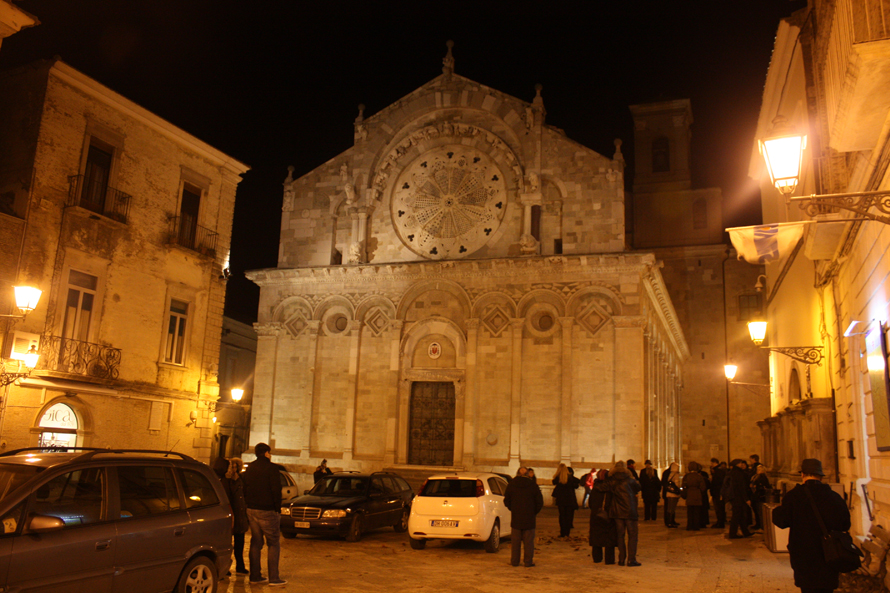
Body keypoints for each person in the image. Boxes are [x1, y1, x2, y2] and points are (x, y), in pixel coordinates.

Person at [772, 459, 851, 593]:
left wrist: (778, 510)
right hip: (830, 553)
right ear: (820, 476)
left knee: (807, 588)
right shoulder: (834, 497)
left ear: (802, 475)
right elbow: (845, 524)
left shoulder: (793, 496)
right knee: (826, 587)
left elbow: (781, 521)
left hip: (803, 553)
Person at [242, 443, 287, 586]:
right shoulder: (272, 468)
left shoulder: (250, 468)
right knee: (273, 543)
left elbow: (245, 487)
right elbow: (276, 489)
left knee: (256, 542)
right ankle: (274, 577)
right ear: (267, 453)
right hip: (267, 510)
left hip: (251, 509)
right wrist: (277, 508)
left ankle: (255, 576)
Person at [595, 460, 641, 567]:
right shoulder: (630, 481)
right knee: (632, 535)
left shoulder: (612, 481)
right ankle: (631, 559)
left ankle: (621, 559)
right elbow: (638, 487)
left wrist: (597, 481)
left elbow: (600, 487)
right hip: (630, 511)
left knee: (620, 536)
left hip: (617, 512)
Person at [503, 466, 544, 567]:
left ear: (517, 473)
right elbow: (539, 501)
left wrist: (512, 508)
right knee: (529, 542)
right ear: (527, 474)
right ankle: (528, 561)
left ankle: (515, 561)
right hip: (529, 517)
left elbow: (506, 500)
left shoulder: (511, 484)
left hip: (516, 516)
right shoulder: (533, 485)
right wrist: (534, 511)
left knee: (515, 542)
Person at [588, 469, 617, 564]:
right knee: (609, 537)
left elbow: (590, 503)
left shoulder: (595, 488)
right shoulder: (612, 488)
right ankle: (609, 559)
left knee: (596, 537)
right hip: (609, 515)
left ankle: (597, 558)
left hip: (596, 515)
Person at [726, 458, 753, 539]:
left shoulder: (732, 473)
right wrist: (746, 499)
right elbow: (741, 487)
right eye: (740, 463)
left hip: (735, 497)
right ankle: (733, 534)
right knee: (737, 516)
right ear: (737, 464)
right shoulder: (738, 473)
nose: (742, 464)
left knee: (740, 516)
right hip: (738, 497)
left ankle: (745, 532)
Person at [551, 463, 580, 537]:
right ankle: (567, 533)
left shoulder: (558, 478)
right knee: (568, 516)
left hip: (561, 500)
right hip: (570, 499)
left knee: (562, 516)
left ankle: (562, 532)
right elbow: (578, 482)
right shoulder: (570, 478)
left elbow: (553, 482)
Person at [681, 461, 707, 531]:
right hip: (697, 494)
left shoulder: (686, 476)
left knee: (690, 511)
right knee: (696, 511)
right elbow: (703, 487)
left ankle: (689, 525)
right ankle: (696, 525)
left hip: (689, 494)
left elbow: (683, 486)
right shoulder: (699, 477)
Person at [750, 464, 771, 531]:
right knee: (756, 511)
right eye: (758, 469)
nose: (758, 470)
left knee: (760, 512)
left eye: (760, 469)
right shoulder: (755, 476)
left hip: (759, 496)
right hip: (755, 495)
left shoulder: (762, 477)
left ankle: (761, 526)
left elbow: (765, 486)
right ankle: (758, 524)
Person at [661, 462, 681, 528]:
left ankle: (670, 521)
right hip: (672, 493)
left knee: (669, 508)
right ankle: (669, 521)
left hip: (667, 493)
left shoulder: (667, 473)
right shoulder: (674, 474)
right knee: (670, 508)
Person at [709, 458, 727, 529]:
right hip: (718, 492)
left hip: (717, 492)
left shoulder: (718, 471)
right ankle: (720, 522)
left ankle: (720, 522)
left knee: (719, 508)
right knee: (719, 508)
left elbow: (717, 483)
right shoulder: (719, 470)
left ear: (714, 463)